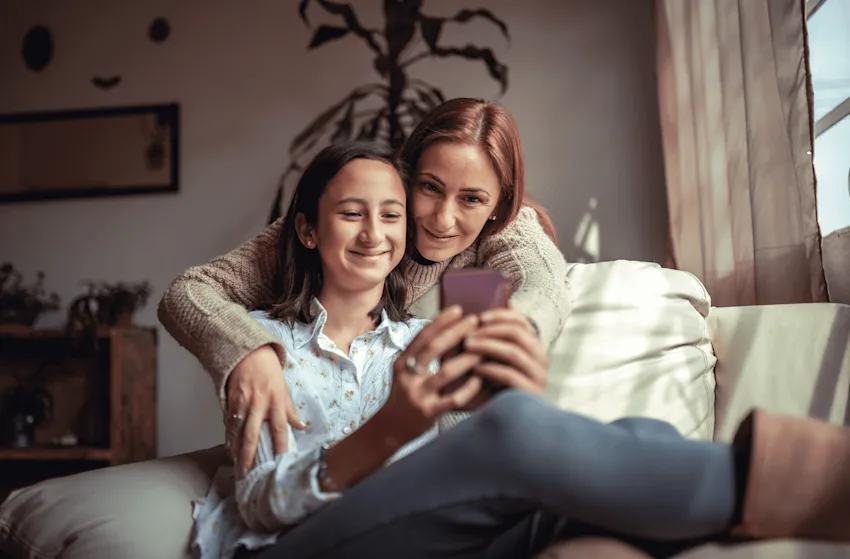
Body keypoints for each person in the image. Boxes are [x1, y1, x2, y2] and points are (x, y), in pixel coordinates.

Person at [189, 141, 850, 559]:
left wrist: (507, 386)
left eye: (391, 214)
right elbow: (260, 503)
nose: (375, 233)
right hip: (296, 543)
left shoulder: (421, 343)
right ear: (305, 228)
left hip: (430, 536)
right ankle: (817, 481)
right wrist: (393, 429)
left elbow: (480, 468)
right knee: (515, 433)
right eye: (350, 213)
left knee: (620, 467)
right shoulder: (263, 348)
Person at [159, 98, 571, 471]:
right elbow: (190, 291)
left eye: (472, 199)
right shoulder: (343, 222)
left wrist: (515, 336)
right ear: (404, 177)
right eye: (429, 187)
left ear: (498, 206)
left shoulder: (505, 227)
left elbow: (544, 284)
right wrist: (250, 351)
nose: (443, 220)